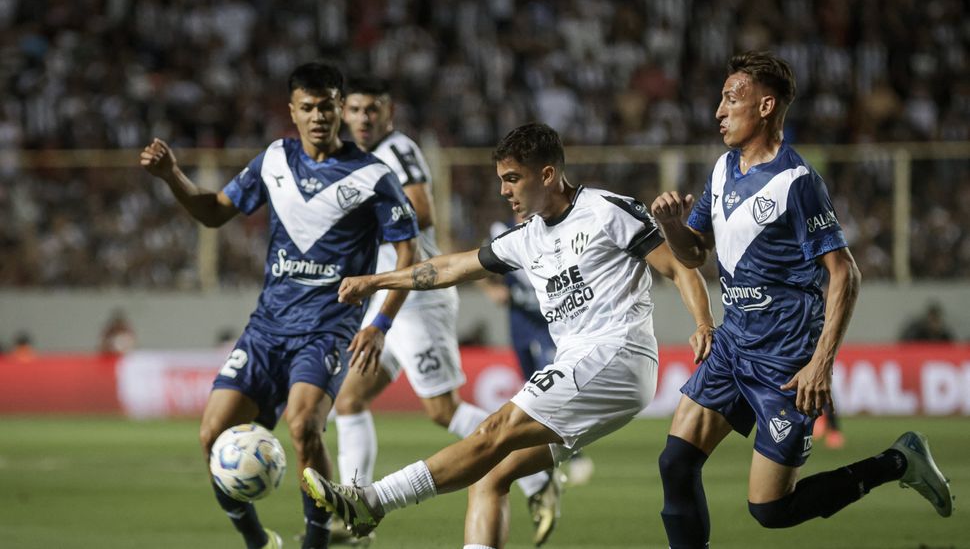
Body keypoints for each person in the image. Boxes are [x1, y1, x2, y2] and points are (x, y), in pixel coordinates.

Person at [302, 122, 717, 549]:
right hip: (580, 361)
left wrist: (703, 322)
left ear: (548, 175)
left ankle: (372, 500)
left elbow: (679, 266)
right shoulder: (527, 237)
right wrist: (378, 281)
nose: (504, 191)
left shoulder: (606, 210)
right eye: (502, 180)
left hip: (616, 352)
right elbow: (449, 268)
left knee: (493, 430)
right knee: (491, 474)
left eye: (513, 178)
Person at [649, 51, 952, 549]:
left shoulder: (799, 181)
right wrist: (672, 226)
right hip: (732, 346)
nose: (718, 111)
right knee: (675, 462)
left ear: (766, 106)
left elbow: (845, 274)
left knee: (771, 510)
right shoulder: (723, 169)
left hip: (785, 361)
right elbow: (693, 252)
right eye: (721, 99)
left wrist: (821, 364)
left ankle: (899, 461)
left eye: (731, 98)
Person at [140, 62, 420, 549]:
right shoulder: (273, 160)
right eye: (307, 107)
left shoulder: (373, 176)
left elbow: (408, 256)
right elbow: (213, 213)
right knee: (212, 436)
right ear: (292, 111)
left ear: (340, 110)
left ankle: (315, 544)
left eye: (327, 107)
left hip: (327, 330)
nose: (318, 116)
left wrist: (378, 323)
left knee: (304, 428)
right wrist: (172, 177)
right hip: (266, 329)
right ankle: (258, 542)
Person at [334, 76, 557, 546]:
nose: (363, 118)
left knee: (442, 410)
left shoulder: (397, 150)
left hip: (416, 301)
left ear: (387, 112)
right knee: (349, 399)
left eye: (371, 109)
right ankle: (352, 511)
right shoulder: (355, 156)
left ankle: (536, 473)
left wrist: (379, 313)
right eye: (354, 109)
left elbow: (422, 213)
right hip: (391, 296)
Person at [481, 214, 595, 489]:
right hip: (519, 323)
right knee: (531, 386)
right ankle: (546, 458)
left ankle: (573, 455)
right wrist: (491, 289)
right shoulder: (502, 230)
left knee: (551, 392)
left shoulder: (554, 228)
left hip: (549, 325)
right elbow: (479, 267)